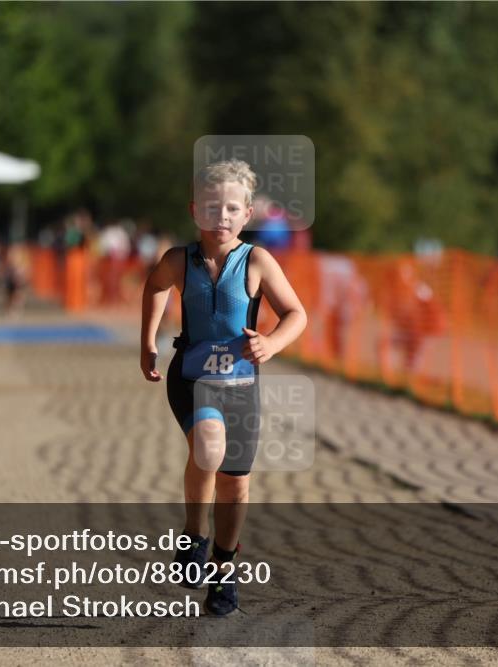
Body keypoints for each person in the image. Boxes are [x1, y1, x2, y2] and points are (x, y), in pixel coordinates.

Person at [140, 159, 307, 615]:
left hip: (241, 384)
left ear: (247, 213)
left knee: (235, 485)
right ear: (196, 211)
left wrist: (271, 343)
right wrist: (147, 344)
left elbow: (297, 314)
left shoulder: (257, 261)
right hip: (192, 378)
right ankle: (194, 536)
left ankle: (223, 571)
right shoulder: (179, 261)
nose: (222, 216)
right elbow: (155, 286)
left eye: (232, 208)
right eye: (212, 207)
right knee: (208, 448)